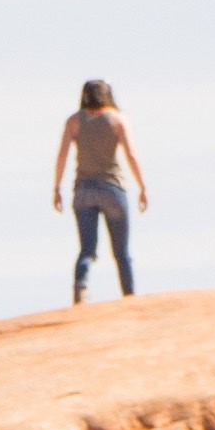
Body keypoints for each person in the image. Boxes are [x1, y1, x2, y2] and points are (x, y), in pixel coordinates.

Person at [50, 79, 148, 303]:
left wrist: (57, 187)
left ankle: (80, 289)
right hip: (113, 189)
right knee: (121, 253)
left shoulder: (74, 121)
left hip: (83, 190)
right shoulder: (117, 118)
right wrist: (142, 186)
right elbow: (131, 154)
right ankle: (129, 296)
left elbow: (62, 156)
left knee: (87, 249)